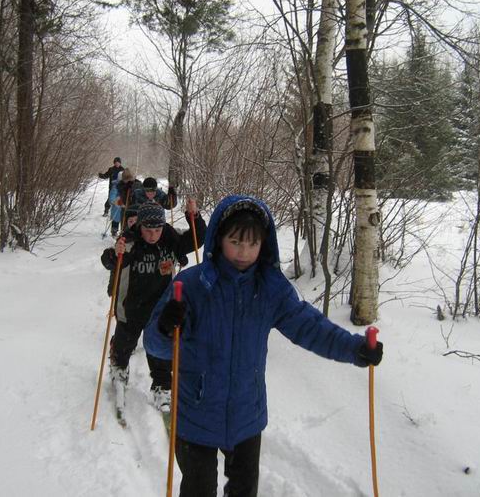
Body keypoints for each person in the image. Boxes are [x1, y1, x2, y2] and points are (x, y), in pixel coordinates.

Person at [144, 195, 384, 497]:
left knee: (244, 491)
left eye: (253, 244)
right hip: (195, 413)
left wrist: (355, 349)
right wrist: (166, 327)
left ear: (264, 243)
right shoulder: (192, 285)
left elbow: (309, 326)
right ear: (219, 239)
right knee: (198, 490)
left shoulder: (270, 289)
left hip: (247, 414)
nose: (244, 252)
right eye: (236, 242)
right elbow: (155, 345)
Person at [100, 200, 207, 412]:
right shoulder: (130, 240)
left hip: (162, 306)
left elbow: (195, 239)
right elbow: (109, 260)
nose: (153, 235)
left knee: (160, 349)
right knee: (125, 341)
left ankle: (162, 386)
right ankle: (119, 369)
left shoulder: (170, 238)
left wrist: (194, 217)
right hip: (132, 305)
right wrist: (114, 254)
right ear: (140, 226)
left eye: (157, 229)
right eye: (148, 230)